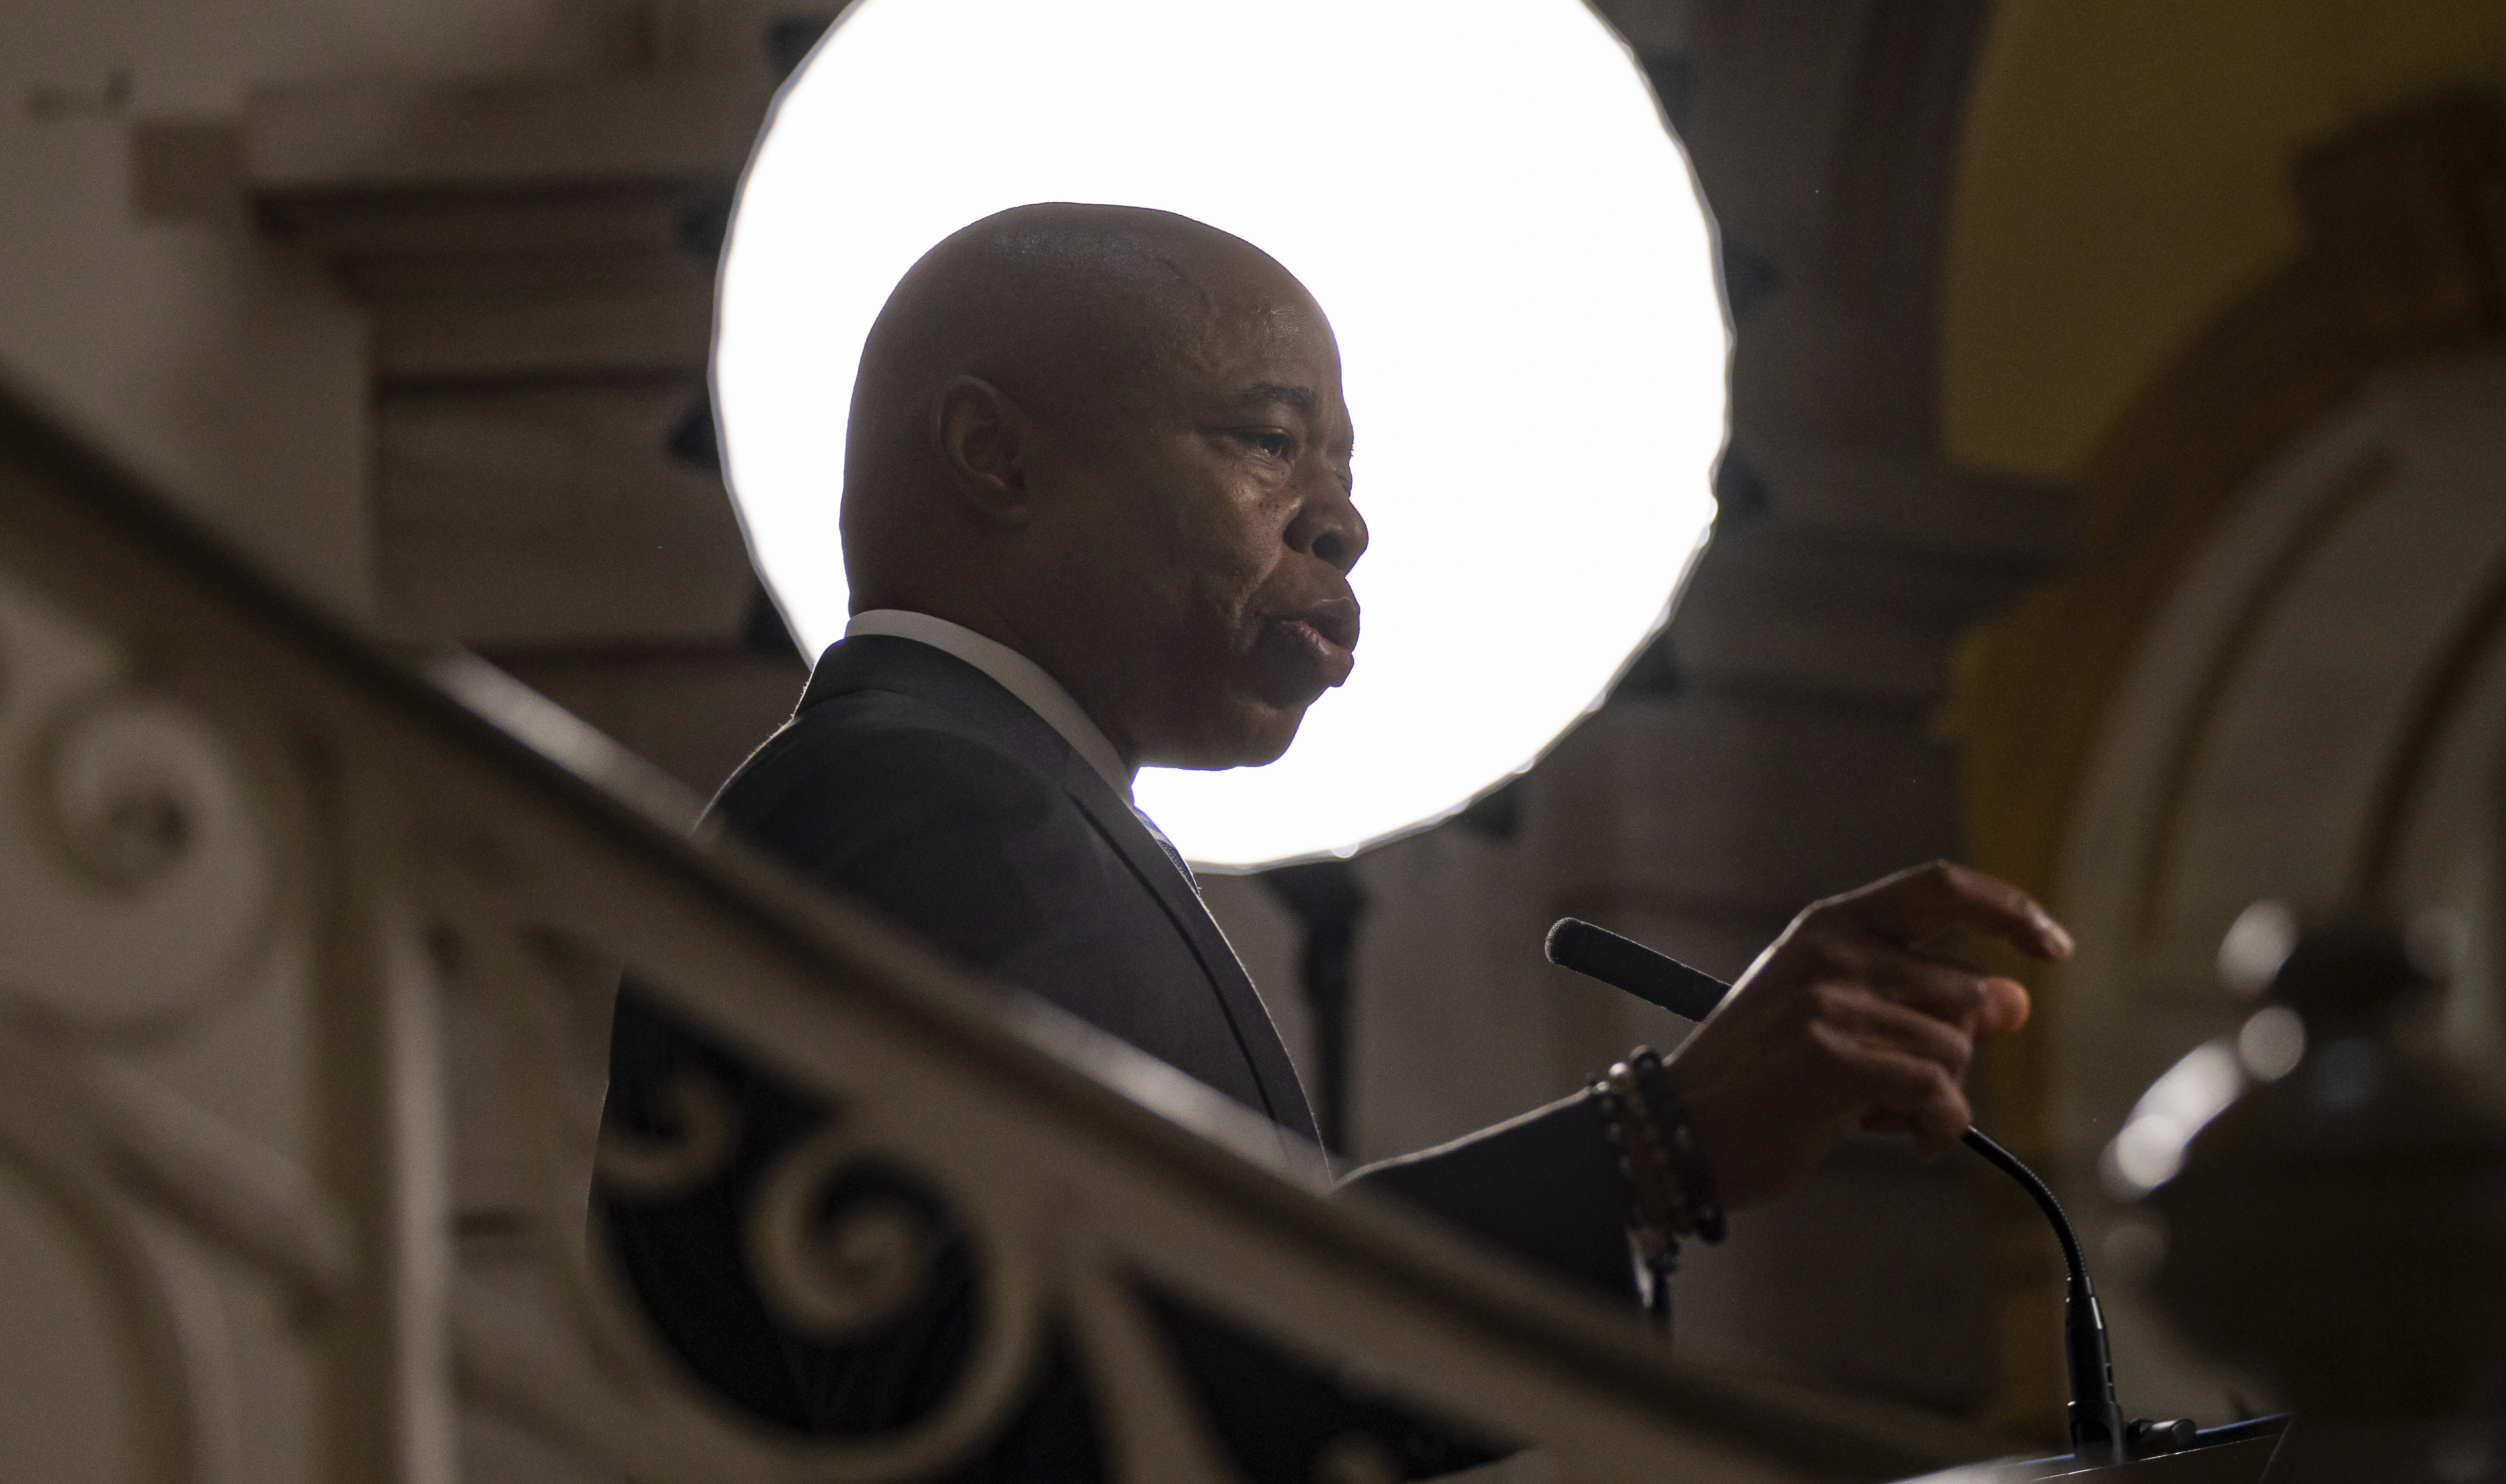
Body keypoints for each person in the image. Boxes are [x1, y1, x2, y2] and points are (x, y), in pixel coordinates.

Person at [596, 202, 2073, 1479]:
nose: (1341, 523)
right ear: (993, 454)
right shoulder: (920, 802)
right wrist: (1650, 1149)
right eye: (1265, 440)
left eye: (1344, 469)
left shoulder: (989, 798)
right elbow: (1038, 1413)